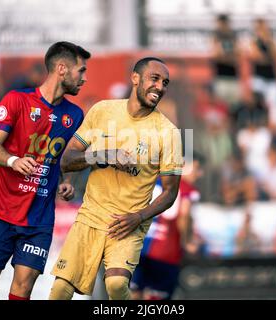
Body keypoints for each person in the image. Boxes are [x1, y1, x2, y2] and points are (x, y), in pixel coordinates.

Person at [0, 41, 91, 300]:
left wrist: (65, 180)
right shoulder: (16, 100)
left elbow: (58, 158)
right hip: (0, 215)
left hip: (38, 221)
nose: (85, 79)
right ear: (62, 69)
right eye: (81, 71)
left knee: (23, 288)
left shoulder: (75, 115)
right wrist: (13, 161)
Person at [48, 57, 183, 300]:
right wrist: (104, 155)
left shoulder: (168, 133)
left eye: (165, 83)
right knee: (60, 290)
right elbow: (67, 159)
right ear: (135, 78)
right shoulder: (102, 110)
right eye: (154, 79)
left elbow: (170, 192)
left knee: (117, 284)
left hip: (128, 222)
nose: (160, 87)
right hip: (91, 215)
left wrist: (139, 217)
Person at [130, 153, 204, 300]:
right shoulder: (186, 189)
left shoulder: (153, 181)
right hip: (164, 253)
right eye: (196, 168)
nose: (199, 174)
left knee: (133, 294)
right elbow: (184, 215)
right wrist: (187, 241)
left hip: (137, 249)